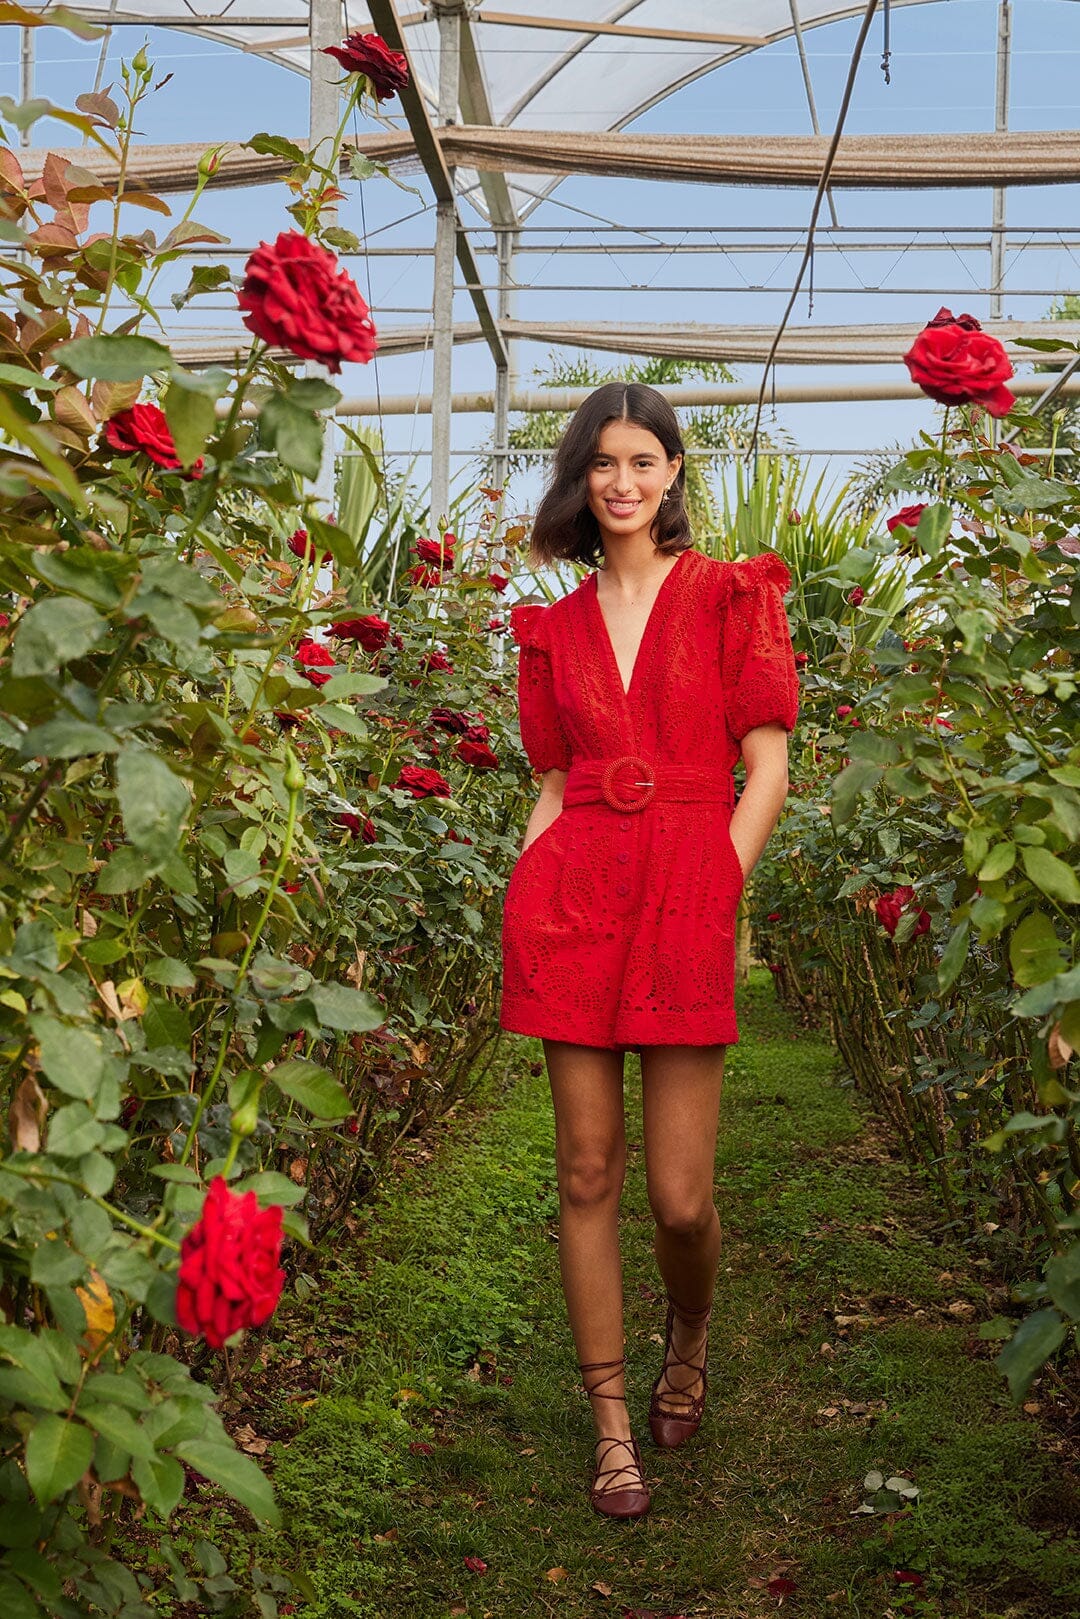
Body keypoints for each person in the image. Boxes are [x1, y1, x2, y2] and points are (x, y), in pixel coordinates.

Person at [498, 381, 799, 1519]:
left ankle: (692, 1325)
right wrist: (523, 894)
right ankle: (612, 1421)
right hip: (572, 893)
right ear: (581, 480)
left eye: (641, 460)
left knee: (679, 1197)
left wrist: (717, 881)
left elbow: (765, 763)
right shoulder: (554, 626)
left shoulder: (731, 596)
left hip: (686, 883)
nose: (620, 482)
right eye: (600, 464)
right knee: (586, 1169)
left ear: (673, 472)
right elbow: (553, 782)